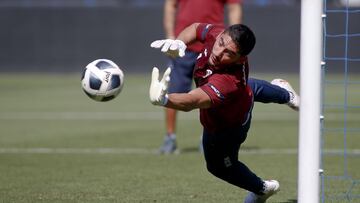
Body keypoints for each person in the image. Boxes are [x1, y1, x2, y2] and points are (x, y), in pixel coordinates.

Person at [149, 23, 300, 202]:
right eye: (221, 43)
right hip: (239, 96)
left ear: (240, 59)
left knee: (219, 167)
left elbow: (193, 100)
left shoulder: (229, 81)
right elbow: (196, 28)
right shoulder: (219, 34)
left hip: (229, 125)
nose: (219, 52)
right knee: (248, 88)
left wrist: (164, 100)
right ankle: (285, 94)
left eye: (229, 53)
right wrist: (180, 43)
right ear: (221, 34)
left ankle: (262, 189)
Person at [159, 0, 243, 154]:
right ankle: (169, 138)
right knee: (173, 89)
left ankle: (208, 138)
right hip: (183, 45)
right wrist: (172, 37)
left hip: (215, 48)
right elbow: (170, 5)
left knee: (211, 95)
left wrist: (233, 39)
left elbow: (234, 7)